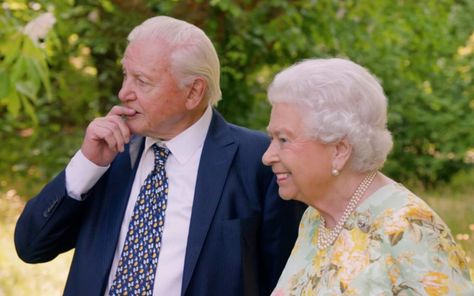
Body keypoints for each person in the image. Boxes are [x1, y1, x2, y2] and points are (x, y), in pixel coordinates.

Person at [14, 16, 304, 296]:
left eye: (142, 81)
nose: (123, 92)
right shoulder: (110, 152)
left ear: (193, 92)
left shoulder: (261, 161)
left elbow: (284, 279)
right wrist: (88, 164)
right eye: (126, 75)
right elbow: (31, 247)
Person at [262, 58, 474, 295]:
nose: (267, 156)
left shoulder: (407, 226)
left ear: (339, 151)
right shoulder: (315, 219)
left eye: (283, 140)